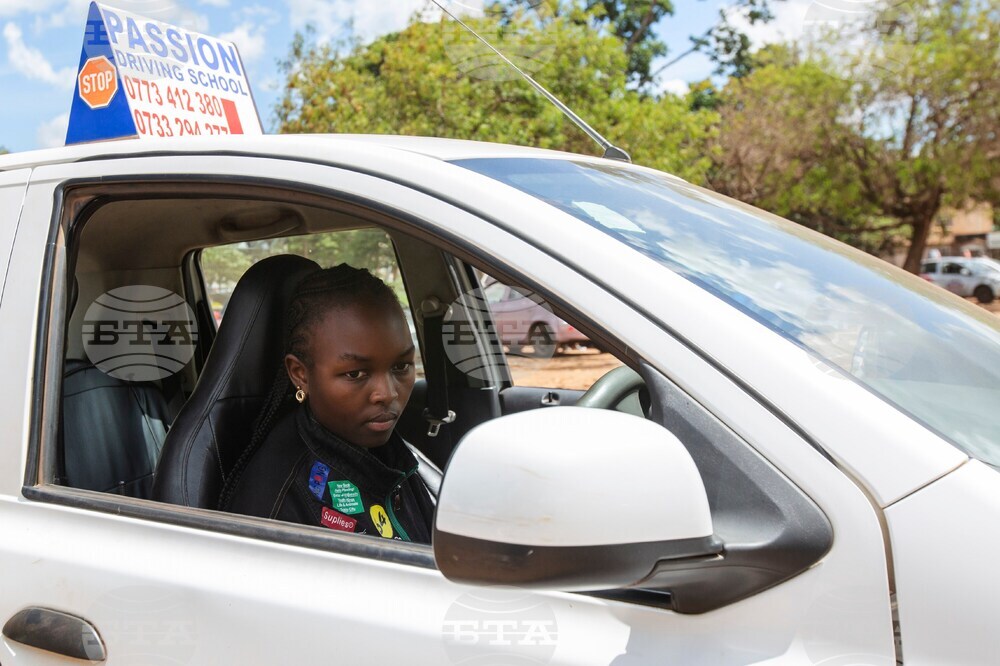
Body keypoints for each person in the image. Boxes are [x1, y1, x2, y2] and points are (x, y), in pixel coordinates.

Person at [220, 263, 435, 544]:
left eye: (401, 366)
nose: (387, 393)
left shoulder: (385, 448)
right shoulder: (280, 502)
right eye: (355, 373)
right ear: (300, 374)